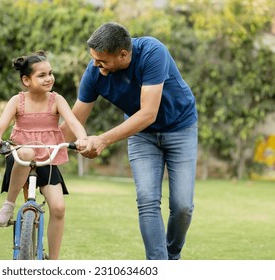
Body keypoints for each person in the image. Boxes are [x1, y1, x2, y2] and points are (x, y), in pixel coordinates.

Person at [61, 22, 198, 260]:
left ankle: (172, 256)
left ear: (123, 54)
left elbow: (148, 113)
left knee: (183, 206)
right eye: (93, 58)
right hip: (142, 137)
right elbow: (74, 121)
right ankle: (158, 266)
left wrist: (102, 140)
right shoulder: (95, 72)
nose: (95, 65)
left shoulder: (153, 52)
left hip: (180, 128)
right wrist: (40, 148)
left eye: (102, 60)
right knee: (147, 200)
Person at [0, 51, 87, 260]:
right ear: (26, 80)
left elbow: (73, 122)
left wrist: (82, 139)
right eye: (42, 75)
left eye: (50, 73)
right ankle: (8, 206)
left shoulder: (56, 100)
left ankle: (54, 262)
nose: (49, 78)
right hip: (21, 159)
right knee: (26, 150)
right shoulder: (17, 101)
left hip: (48, 159)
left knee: (59, 208)